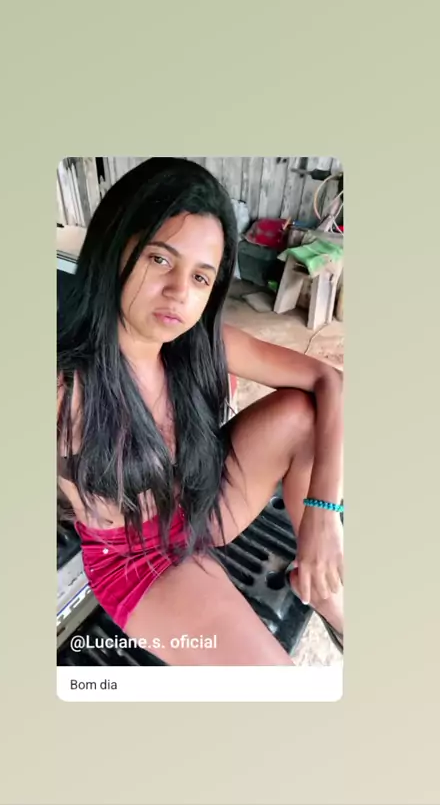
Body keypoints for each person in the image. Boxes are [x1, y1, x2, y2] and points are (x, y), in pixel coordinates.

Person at [57, 157, 343, 666]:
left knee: (303, 413)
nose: (179, 293)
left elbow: (331, 380)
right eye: (159, 259)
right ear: (115, 248)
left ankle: (320, 588)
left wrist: (325, 513)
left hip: (202, 500)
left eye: (201, 277)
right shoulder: (64, 385)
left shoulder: (198, 343)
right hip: (138, 561)